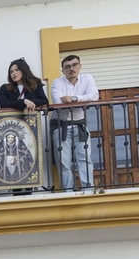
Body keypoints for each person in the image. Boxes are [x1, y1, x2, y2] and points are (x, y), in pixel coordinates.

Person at [51, 53, 99, 190]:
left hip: (80, 125)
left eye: (74, 65)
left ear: (80, 66)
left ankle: (88, 189)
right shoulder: (57, 82)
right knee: (63, 162)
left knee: (84, 159)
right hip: (61, 126)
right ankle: (68, 191)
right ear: (63, 70)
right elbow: (57, 103)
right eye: (67, 67)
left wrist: (74, 99)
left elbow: (94, 96)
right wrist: (83, 99)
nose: (71, 69)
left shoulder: (87, 78)